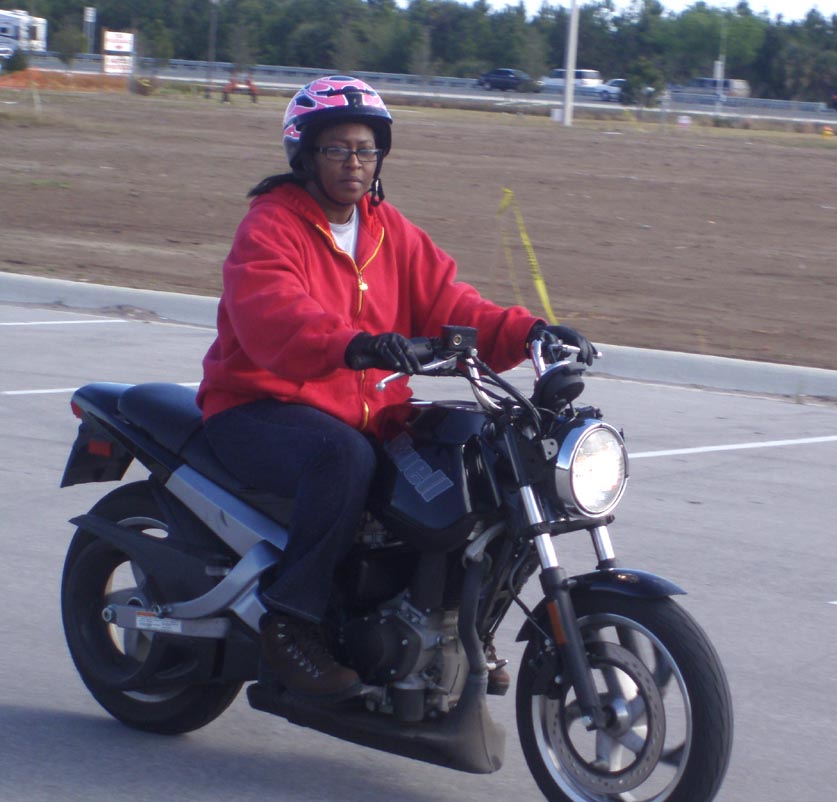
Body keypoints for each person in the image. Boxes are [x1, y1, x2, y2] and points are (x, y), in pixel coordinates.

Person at [197, 75, 594, 700]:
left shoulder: (388, 231)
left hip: (367, 411)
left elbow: (452, 305)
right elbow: (274, 314)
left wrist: (531, 333)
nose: (353, 163)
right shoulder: (271, 227)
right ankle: (291, 626)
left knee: (477, 458)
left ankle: (460, 624)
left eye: (365, 149)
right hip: (259, 404)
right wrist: (355, 344)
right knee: (342, 458)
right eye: (337, 149)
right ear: (305, 154)